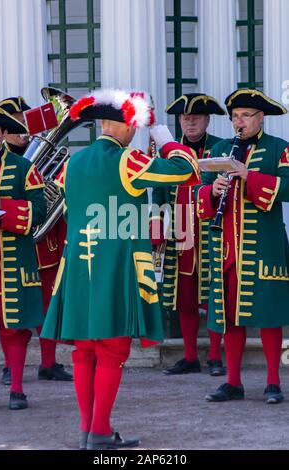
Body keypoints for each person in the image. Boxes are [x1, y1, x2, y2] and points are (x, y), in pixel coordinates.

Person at [41, 88, 200, 450]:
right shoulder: (127, 160)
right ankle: (99, 433)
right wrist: (162, 135)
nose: (136, 131)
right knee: (112, 350)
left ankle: (88, 430)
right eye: (136, 125)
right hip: (115, 263)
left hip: (79, 266)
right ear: (126, 125)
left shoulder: (73, 163)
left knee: (84, 352)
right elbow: (186, 170)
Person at [196, 88, 289, 404]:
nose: (239, 122)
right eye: (235, 117)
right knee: (229, 315)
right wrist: (213, 190)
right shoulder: (221, 150)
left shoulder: (279, 149)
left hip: (264, 246)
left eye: (245, 116)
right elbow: (200, 196)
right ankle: (233, 382)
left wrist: (249, 176)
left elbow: (288, 188)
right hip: (226, 247)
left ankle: (273, 382)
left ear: (260, 118)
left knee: (268, 314)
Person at [0, 96, 72, 383]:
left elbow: (57, 199)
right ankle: (9, 365)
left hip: (46, 244)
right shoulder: (2, 161)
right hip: (13, 245)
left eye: (23, 121)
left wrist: (59, 185)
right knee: (13, 309)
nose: (21, 128)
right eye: (14, 123)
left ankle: (49, 363)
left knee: (48, 306)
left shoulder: (42, 154)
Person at [151, 93, 225, 376]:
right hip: (179, 231)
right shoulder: (168, 151)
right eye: (185, 118)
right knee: (184, 296)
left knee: (215, 295)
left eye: (195, 117)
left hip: (211, 231)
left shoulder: (221, 147)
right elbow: (158, 194)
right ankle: (191, 356)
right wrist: (156, 231)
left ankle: (216, 356)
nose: (190, 122)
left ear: (206, 120)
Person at [0, 106, 46, 409]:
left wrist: (3, 208)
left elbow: (39, 210)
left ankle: (16, 389)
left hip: (11, 264)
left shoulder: (24, 167)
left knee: (14, 329)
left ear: (3, 136)